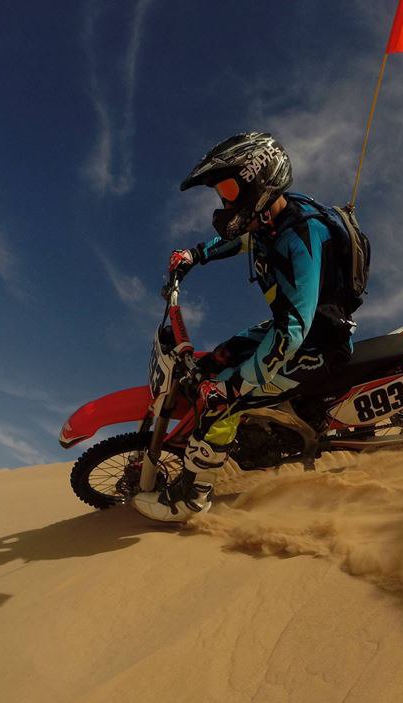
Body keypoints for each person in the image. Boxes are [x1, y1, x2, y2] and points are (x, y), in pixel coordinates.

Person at [133, 132, 358, 522]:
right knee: (214, 360)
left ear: (259, 179)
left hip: (313, 346)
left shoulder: (302, 234)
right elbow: (242, 241)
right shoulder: (269, 218)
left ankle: (191, 499)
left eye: (228, 188)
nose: (224, 201)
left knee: (222, 403)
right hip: (290, 332)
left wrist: (233, 388)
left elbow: (293, 328)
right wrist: (195, 255)